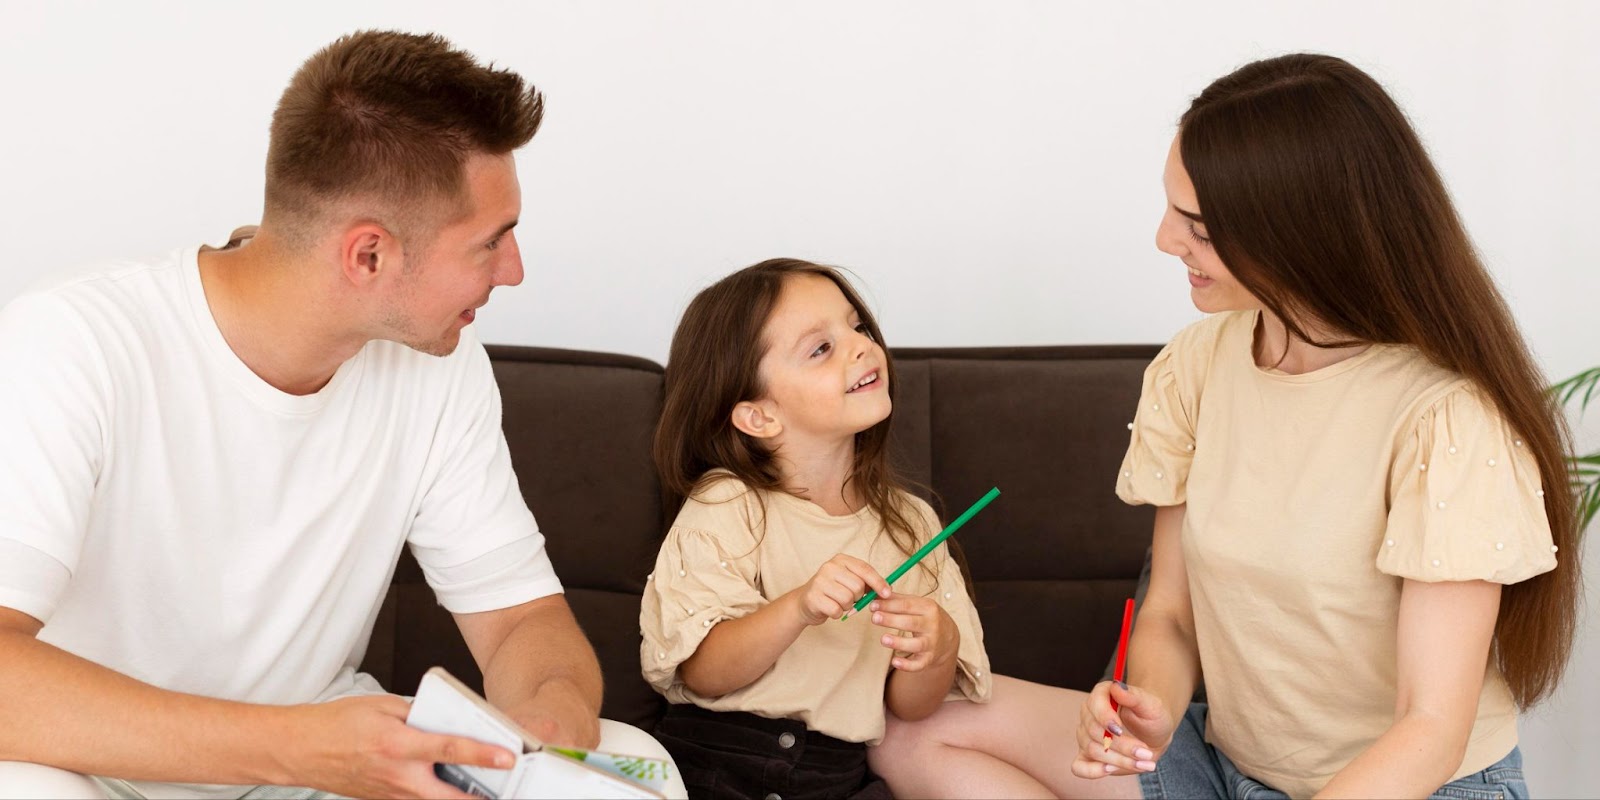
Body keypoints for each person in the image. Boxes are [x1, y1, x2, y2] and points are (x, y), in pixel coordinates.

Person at [0, 30, 679, 800]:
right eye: (491, 242)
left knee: (629, 759)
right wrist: (295, 750)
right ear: (368, 256)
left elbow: (523, 621)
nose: (515, 271)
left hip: (326, 769)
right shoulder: (72, 341)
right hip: (96, 766)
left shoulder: (441, 369)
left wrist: (541, 727)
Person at [1070, 54, 1580, 799]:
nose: (1163, 240)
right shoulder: (1197, 366)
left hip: (1415, 787)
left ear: (1300, 236)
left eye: (1200, 227)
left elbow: (1430, 728)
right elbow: (1171, 612)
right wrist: (1148, 710)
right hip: (1228, 768)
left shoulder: (1447, 421)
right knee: (936, 734)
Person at [640, 258, 1119, 800]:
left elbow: (911, 709)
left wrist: (936, 650)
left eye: (858, 326)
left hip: (834, 774)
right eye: (821, 348)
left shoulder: (910, 524)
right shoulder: (728, 503)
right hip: (718, 760)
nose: (862, 346)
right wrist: (798, 607)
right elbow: (704, 671)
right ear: (758, 417)